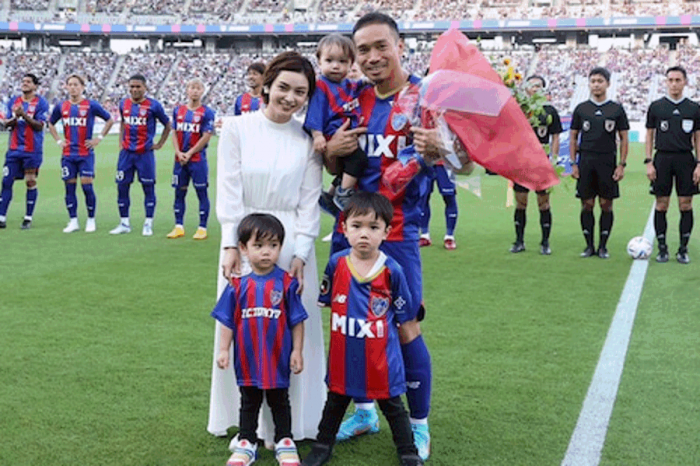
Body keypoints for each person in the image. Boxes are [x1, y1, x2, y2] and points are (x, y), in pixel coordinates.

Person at [321, 13, 470, 461]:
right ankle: (364, 411)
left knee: (405, 327)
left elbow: (467, 164)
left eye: (380, 46)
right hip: (348, 230)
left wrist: (442, 148)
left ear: (400, 46)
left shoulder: (427, 98)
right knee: (350, 323)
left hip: (399, 234)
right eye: (363, 50)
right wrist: (332, 152)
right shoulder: (354, 98)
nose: (371, 57)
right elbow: (336, 164)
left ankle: (419, 424)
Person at [210, 51, 326, 448]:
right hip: (245, 239)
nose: (290, 98)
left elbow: (310, 201)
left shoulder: (307, 139)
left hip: (291, 241)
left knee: (290, 327)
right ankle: (246, 427)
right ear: (267, 86)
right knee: (244, 325)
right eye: (284, 88)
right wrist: (231, 243)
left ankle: (293, 425)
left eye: (300, 92)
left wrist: (302, 253)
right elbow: (228, 189)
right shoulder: (237, 128)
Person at [303, 192, 423, 466]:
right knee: (335, 402)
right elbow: (329, 300)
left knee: (393, 405)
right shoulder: (336, 264)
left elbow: (402, 314)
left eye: (373, 227)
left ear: (386, 232)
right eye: (356, 226)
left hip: (381, 358)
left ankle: (408, 450)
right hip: (344, 355)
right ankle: (322, 446)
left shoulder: (392, 270)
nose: (364, 234)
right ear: (344, 229)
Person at [212, 213, 307, 466]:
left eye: (273, 245)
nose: (266, 252)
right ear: (243, 248)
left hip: (278, 358)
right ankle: (247, 442)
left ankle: (284, 441)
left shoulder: (286, 283)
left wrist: (297, 351)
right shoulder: (237, 285)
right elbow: (227, 321)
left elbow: (297, 321)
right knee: (249, 401)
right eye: (259, 245)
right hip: (248, 358)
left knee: (280, 401)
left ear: (280, 247)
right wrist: (223, 349)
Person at [570, 67, 629, 259]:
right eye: (593, 81)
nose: (596, 85)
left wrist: (621, 164)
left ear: (608, 84)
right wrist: (573, 163)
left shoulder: (616, 109)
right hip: (586, 161)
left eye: (600, 81)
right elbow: (573, 137)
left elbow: (624, 138)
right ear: (589, 84)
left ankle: (603, 246)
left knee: (606, 204)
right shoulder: (581, 109)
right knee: (587, 204)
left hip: (607, 161)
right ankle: (589, 246)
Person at [305, 34, 368, 213]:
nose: (335, 66)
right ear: (319, 62)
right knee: (359, 159)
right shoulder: (321, 86)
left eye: (342, 61)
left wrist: (368, 81)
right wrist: (317, 135)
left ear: (351, 64)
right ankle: (343, 193)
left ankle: (330, 194)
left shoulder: (348, 85)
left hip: (347, 133)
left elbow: (360, 85)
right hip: (333, 134)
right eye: (329, 60)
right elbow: (315, 113)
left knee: (348, 168)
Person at [645, 66, 700, 264]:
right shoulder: (656, 107)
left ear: (685, 82)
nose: (674, 84)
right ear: (666, 82)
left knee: (686, 204)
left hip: (686, 159)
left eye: (678, 80)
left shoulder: (694, 108)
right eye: (671, 80)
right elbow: (649, 135)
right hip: (662, 159)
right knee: (661, 204)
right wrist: (649, 161)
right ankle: (662, 248)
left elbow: (698, 138)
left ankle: (683, 249)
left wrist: (699, 164)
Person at [48, 74, 114, 233]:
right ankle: (73, 221)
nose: (72, 88)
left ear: (83, 87)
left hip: (85, 154)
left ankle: (91, 219)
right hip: (68, 155)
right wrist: (59, 141)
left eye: (76, 84)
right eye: (70, 84)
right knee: (69, 188)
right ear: (66, 87)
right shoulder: (62, 106)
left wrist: (99, 138)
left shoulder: (91, 105)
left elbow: (109, 120)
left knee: (87, 186)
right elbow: (50, 123)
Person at [110, 74, 171, 237]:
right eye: (132, 87)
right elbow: (123, 122)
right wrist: (120, 142)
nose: (135, 90)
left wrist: (160, 143)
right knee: (122, 187)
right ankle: (124, 223)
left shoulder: (153, 105)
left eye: (138, 87)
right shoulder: (123, 103)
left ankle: (148, 223)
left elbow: (167, 124)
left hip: (145, 154)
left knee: (148, 188)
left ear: (145, 88)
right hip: (126, 154)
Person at [510, 75, 562, 255]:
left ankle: (545, 242)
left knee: (544, 203)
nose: (535, 88)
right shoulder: (519, 110)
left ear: (544, 89)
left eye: (538, 85)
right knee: (521, 203)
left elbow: (555, 136)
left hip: (541, 164)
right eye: (532, 85)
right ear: (526, 89)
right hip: (522, 163)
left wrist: (553, 159)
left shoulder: (550, 111)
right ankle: (519, 241)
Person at [166, 78, 216, 240]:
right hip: (179, 160)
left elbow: (206, 136)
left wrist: (190, 153)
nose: (195, 91)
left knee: (201, 192)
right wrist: (178, 152)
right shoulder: (178, 110)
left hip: (197, 160)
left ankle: (202, 227)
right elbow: (174, 132)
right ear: (187, 90)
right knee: (179, 192)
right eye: (192, 87)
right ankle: (178, 226)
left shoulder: (207, 112)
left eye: (198, 88)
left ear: (203, 91)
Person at [0, 73, 49, 230]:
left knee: (30, 181)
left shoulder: (41, 102)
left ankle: (28, 217)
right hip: (14, 149)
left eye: (28, 81)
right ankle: (1, 217)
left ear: (35, 86)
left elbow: (39, 126)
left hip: (32, 149)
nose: (24, 83)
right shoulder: (14, 101)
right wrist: (15, 118)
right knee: (6, 181)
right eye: (23, 81)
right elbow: (6, 124)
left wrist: (24, 115)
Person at [418, 160, 459, 250]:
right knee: (423, 197)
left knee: (449, 197)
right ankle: (424, 235)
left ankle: (449, 236)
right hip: (426, 162)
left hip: (446, 163)